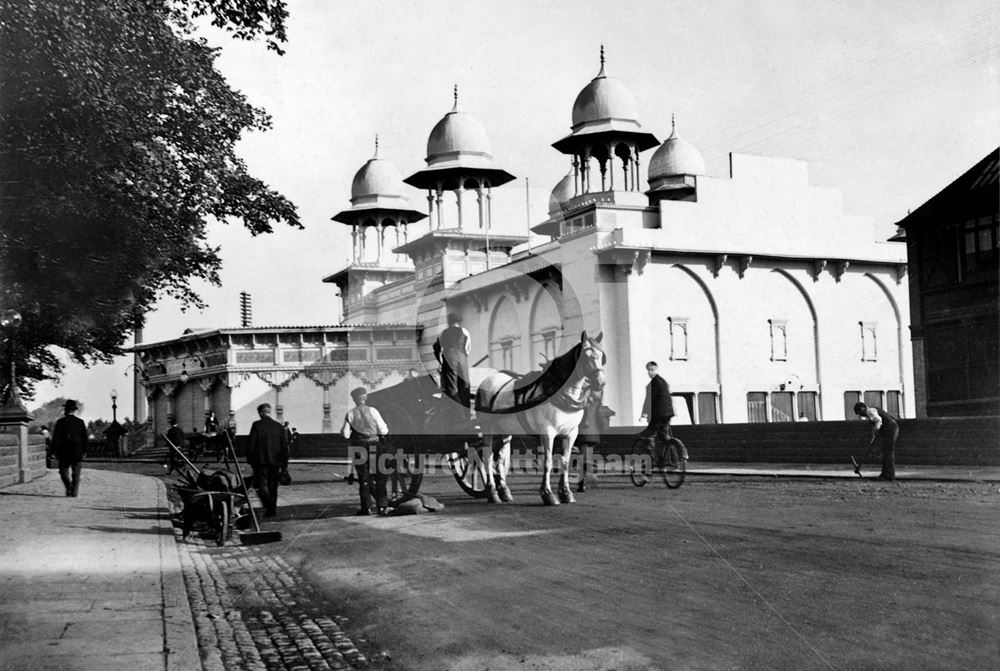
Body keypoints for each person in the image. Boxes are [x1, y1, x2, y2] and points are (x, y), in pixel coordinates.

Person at [341, 387, 389, 515]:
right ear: (365, 397)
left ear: (354, 399)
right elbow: (383, 430)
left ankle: (366, 507)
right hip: (374, 445)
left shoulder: (350, 414)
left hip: (359, 447)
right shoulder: (373, 411)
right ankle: (382, 506)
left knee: (363, 478)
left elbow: (345, 434)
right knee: (379, 476)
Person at [246, 403, 289, 517]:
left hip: (260, 462)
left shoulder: (256, 425)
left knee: (260, 486)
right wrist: (284, 466)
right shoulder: (279, 427)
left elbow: (251, 444)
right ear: (269, 412)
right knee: (272, 486)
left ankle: (269, 505)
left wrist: (250, 460)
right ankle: (272, 510)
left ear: (260, 413)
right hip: (275, 462)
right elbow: (285, 447)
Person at [433, 313, 471, 419]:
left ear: (449, 322)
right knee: (465, 385)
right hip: (462, 358)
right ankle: (467, 416)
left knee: (452, 388)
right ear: (459, 322)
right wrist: (462, 357)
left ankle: (460, 416)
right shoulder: (465, 331)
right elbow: (467, 349)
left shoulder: (442, 334)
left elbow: (437, 350)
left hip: (449, 358)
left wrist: (441, 363)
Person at [50, 399, 88, 497]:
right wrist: (85, 451)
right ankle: (74, 492)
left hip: (64, 451)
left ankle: (69, 487)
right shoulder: (80, 422)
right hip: (77, 451)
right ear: (74, 410)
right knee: (76, 473)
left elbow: (56, 438)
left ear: (66, 409)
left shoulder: (60, 422)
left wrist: (53, 451)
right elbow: (85, 439)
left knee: (63, 472)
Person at [853, 402, 899, 481]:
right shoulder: (872, 412)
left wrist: (877, 431)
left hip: (890, 429)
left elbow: (878, 420)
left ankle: (889, 475)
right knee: (886, 451)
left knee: (888, 452)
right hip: (890, 428)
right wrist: (874, 436)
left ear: (863, 409)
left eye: (860, 413)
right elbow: (874, 425)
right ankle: (885, 474)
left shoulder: (870, 411)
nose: (861, 416)